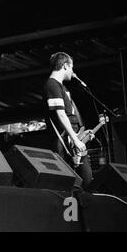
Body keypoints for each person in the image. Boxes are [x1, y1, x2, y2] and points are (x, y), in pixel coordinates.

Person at [43, 52, 93, 187]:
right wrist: (76, 139)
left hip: (72, 138)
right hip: (65, 140)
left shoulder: (61, 86)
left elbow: (70, 115)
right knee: (73, 182)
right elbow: (61, 115)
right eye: (71, 67)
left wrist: (82, 134)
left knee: (87, 179)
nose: (72, 71)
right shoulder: (52, 84)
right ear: (65, 66)